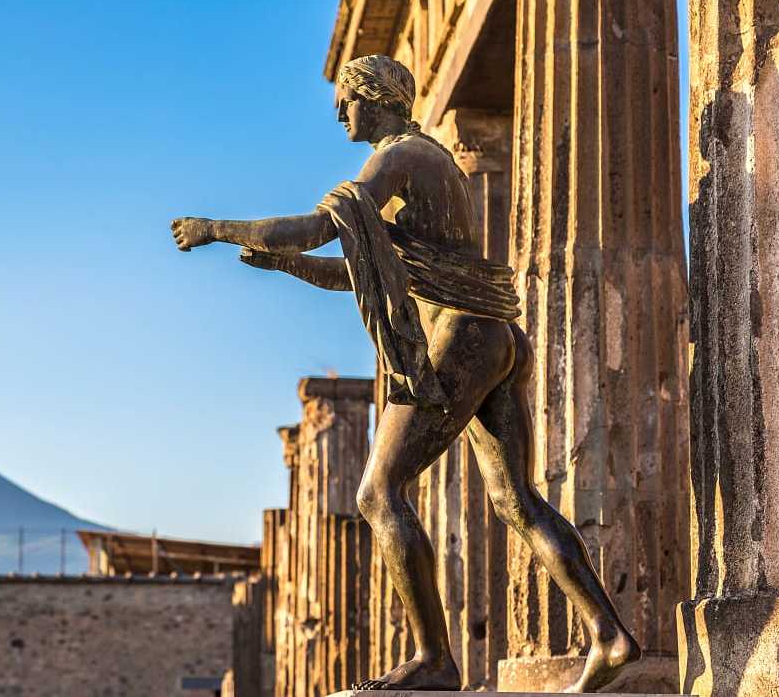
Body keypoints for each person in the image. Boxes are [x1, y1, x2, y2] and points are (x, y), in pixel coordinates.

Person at [170, 54, 638, 692]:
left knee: (377, 493)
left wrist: (216, 228)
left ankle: (435, 660)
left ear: (376, 98)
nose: (339, 113)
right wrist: (283, 266)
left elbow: (317, 228)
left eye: (347, 100)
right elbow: (359, 271)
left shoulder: (401, 157)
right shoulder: (431, 163)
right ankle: (609, 636)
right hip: (493, 337)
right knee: (516, 501)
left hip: (461, 338)